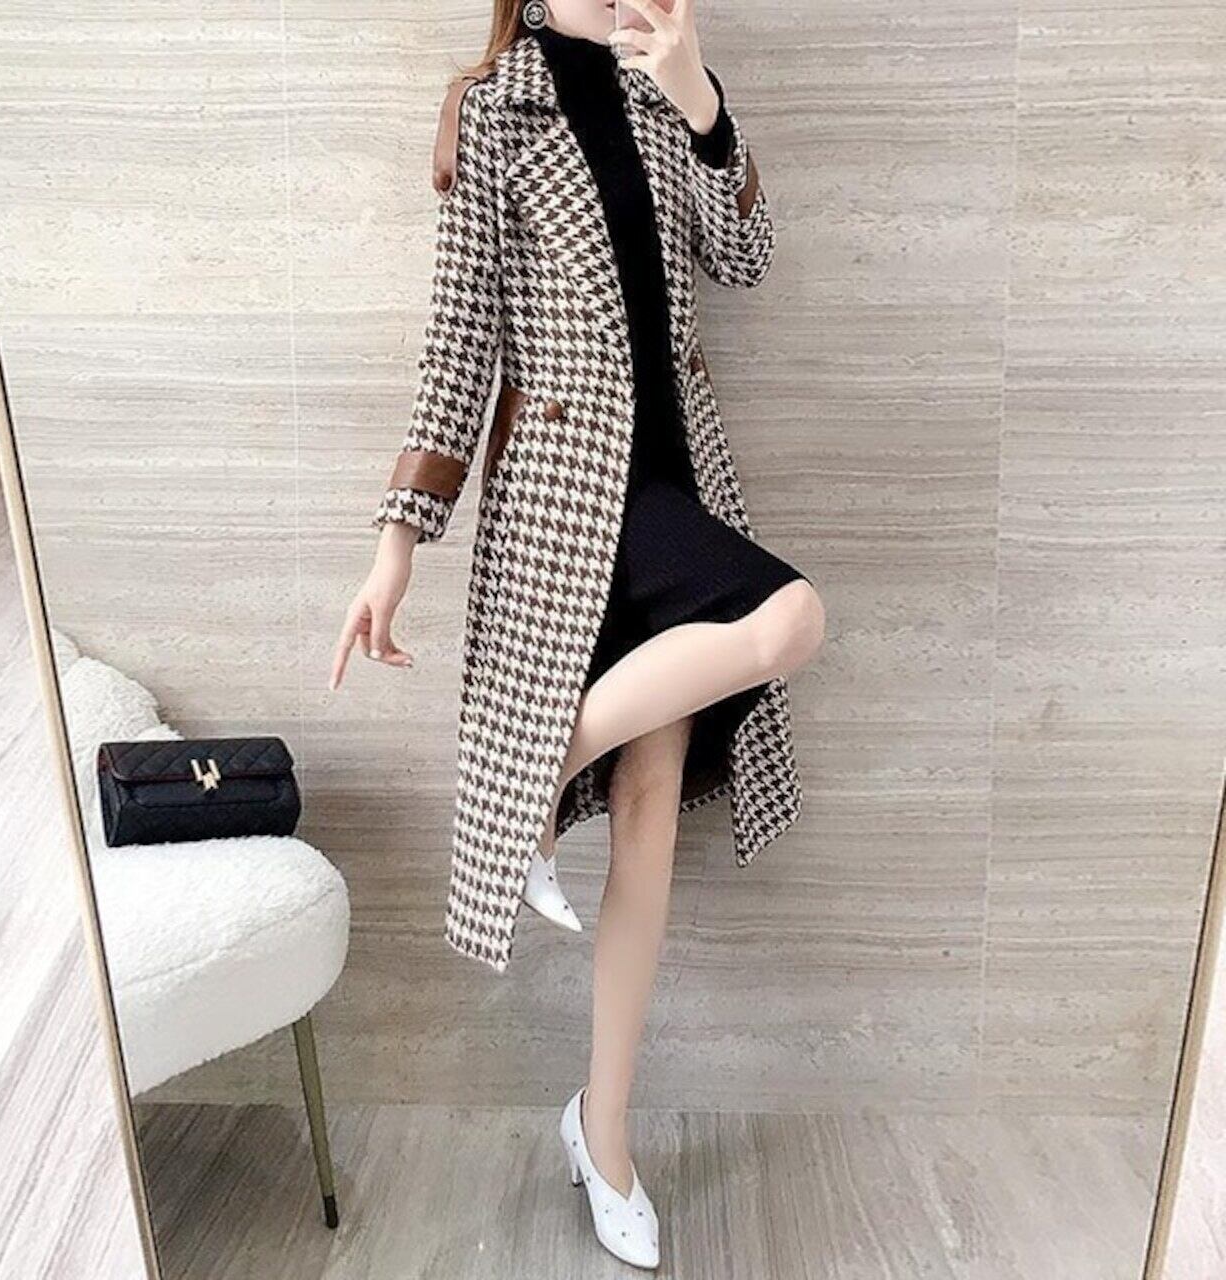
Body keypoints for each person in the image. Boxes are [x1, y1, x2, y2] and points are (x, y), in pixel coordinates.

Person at [331, 0, 825, 1267]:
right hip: (566, 507)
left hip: (675, 489)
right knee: (789, 616)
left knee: (657, 802)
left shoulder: (660, 75)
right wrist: (397, 539)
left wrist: (701, 99)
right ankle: (543, 786)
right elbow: (457, 342)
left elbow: (747, 256)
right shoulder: (490, 109)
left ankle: (599, 1123)